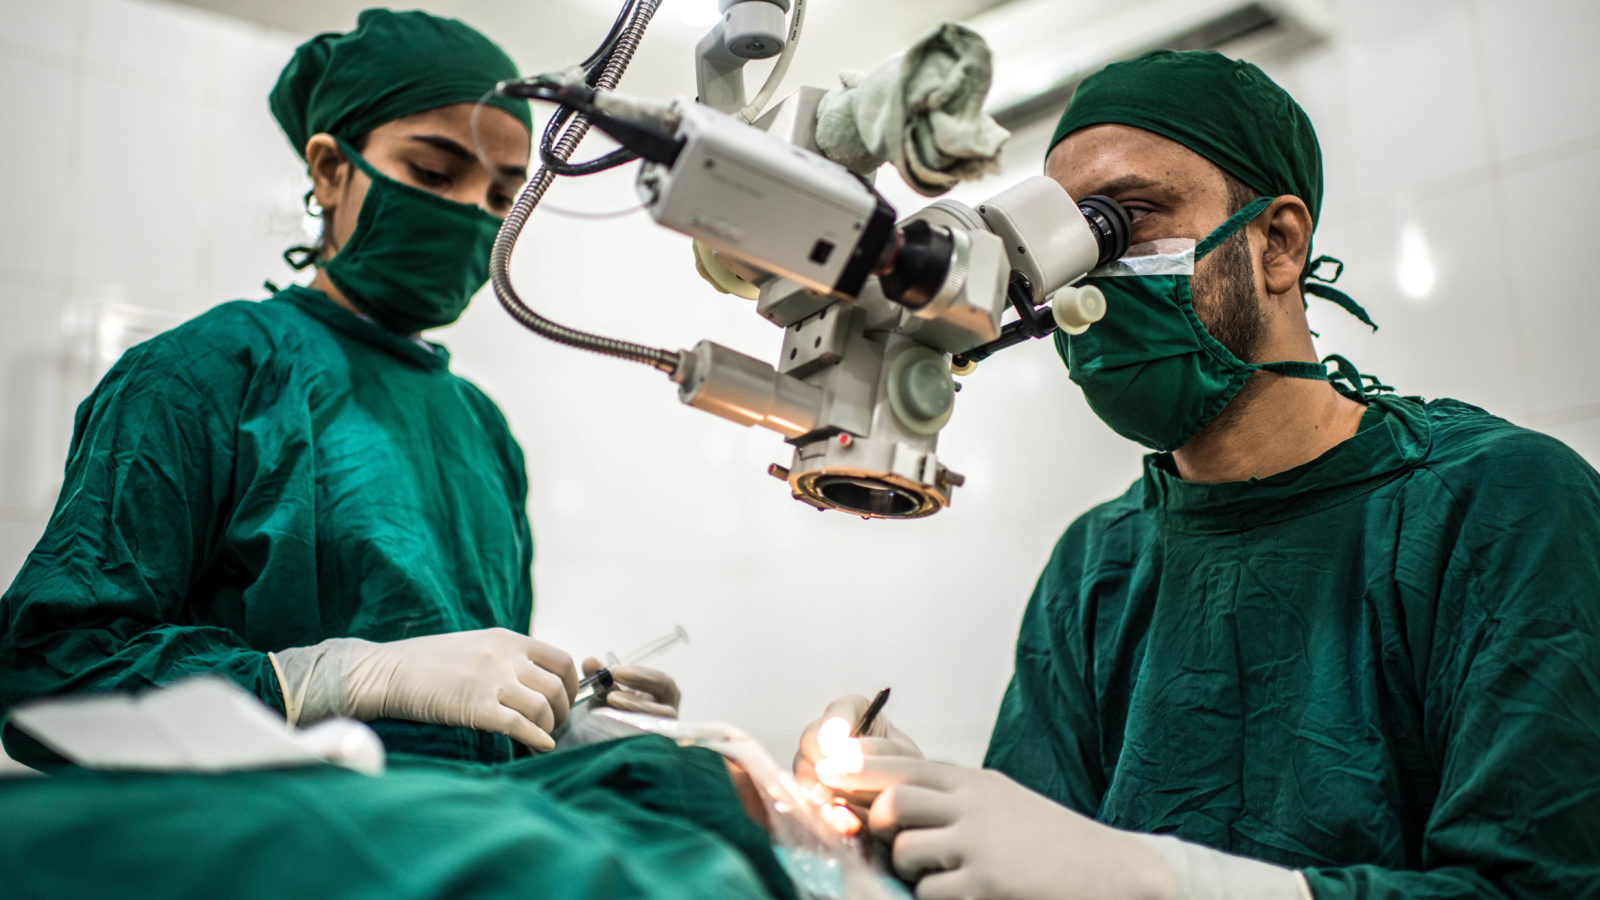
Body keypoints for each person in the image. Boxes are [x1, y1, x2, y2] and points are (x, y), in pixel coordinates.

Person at [796, 50, 1600, 899]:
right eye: (1065, 242)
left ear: (1277, 244)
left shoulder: (1503, 507)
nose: (1087, 279)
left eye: (1124, 219)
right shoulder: (1096, 566)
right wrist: (912, 822)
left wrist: (1168, 884)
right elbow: (1033, 863)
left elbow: (1542, 887)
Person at [0, 9, 678, 767]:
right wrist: (326, 681)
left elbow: (458, 720)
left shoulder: (480, 427)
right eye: (433, 172)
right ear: (329, 169)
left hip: (465, 835)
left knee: (687, 782)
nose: (468, 215)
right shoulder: (203, 375)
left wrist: (563, 719)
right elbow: (47, 670)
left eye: (500, 199)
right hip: (287, 848)